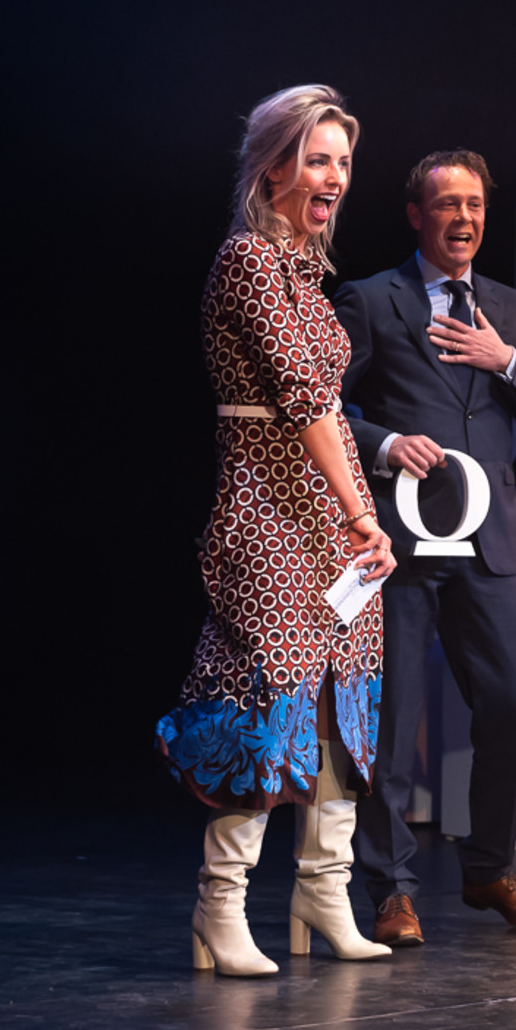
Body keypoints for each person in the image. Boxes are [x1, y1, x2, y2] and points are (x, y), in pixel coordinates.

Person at [156, 85, 396, 976]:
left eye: (343, 162)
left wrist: (358, 518)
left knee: (342, 699)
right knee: (270, 698)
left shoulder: (305, 270)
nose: (334, 177)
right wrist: (363, 510)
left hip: (333, 518)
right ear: (273, 168)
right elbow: (303, 399)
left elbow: (329, 404)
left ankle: (323, 892)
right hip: (267, 513)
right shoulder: (249, 261)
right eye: (317, 159)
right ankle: (220, 908)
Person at [333, 149, 516, 946]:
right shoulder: (372, 299)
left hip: (489, 544)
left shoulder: (511, 307)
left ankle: (489, 869)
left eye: (474, 204)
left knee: (511, 702)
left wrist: (506, 360)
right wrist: (384, 441)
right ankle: (391, 889)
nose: (464, 217)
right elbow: (321, 411)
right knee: (393, 721)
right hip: (399, 544)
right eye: (447, 204)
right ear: (417, 214)